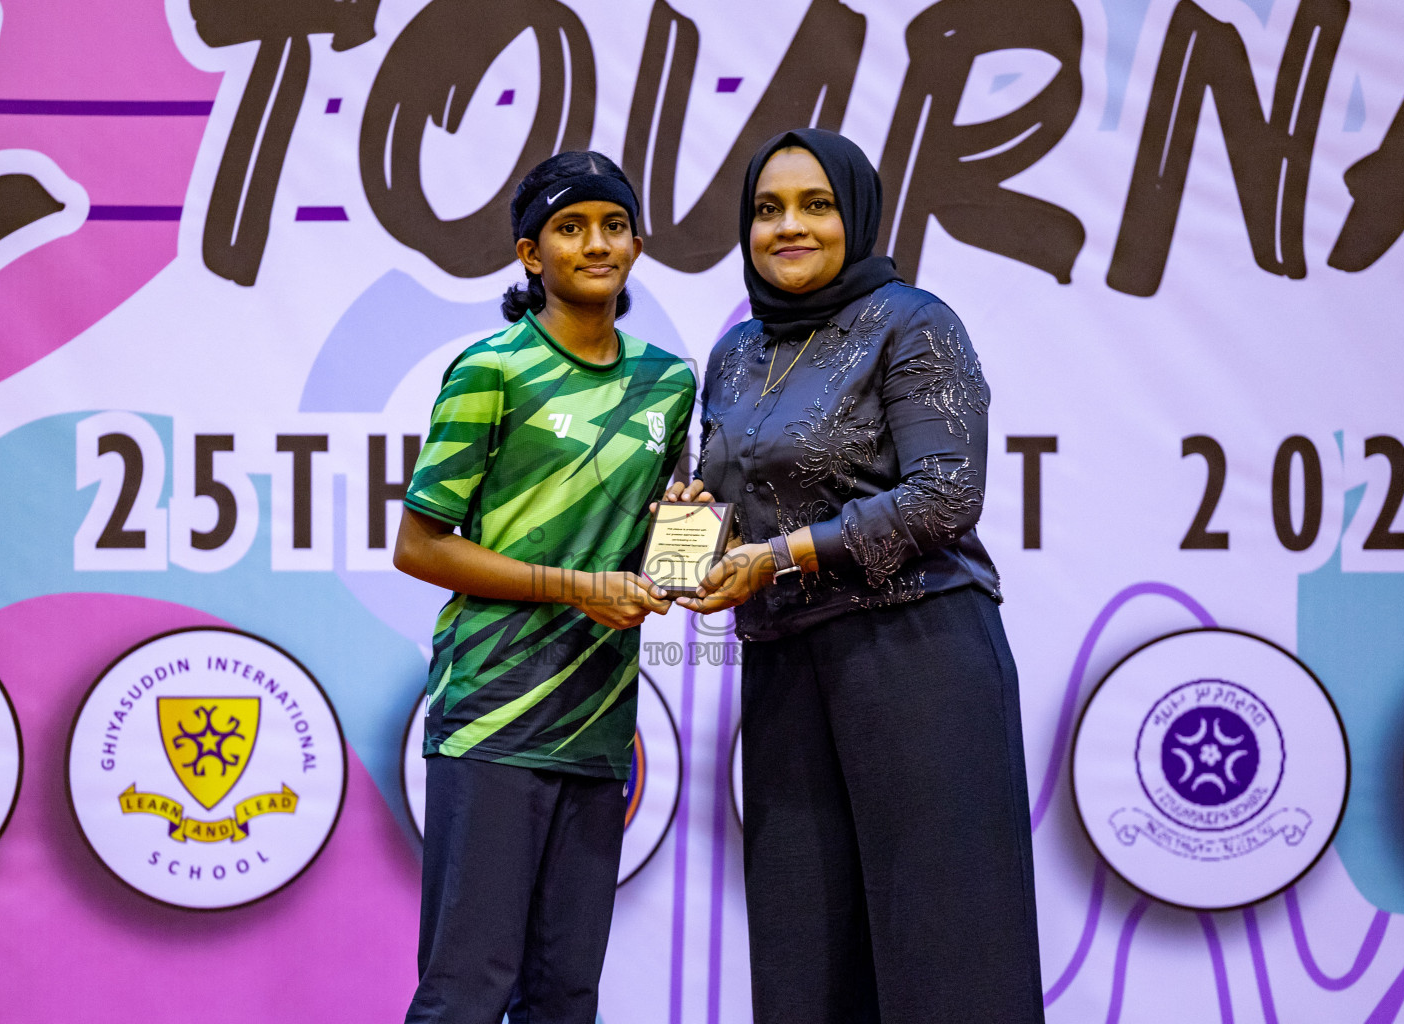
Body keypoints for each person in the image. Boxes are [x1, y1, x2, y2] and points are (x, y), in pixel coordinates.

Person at [669, 129, 1045, 1023]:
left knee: (946, 954)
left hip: (915, 656)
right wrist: (675, 557)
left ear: (858, 215)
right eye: (767, 210)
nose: (787, 227)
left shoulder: (913, 321)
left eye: (814, 205)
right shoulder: (736, 355)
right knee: (805, 962)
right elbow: (719, 502)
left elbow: (947, 496)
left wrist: (782, 555)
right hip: (784, 671)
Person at [393, 150, 696, 1024]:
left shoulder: (668, 383)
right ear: (532, 255)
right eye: (571, 228)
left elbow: (659, 561)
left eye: (613, 225)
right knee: (465, 993)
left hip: (599, 724)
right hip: (491, 714)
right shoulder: (492, 370)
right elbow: (419, 547)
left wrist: (692, 533)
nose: (595, 244)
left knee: (565, 998)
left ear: (637, 242)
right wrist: (571, 587)